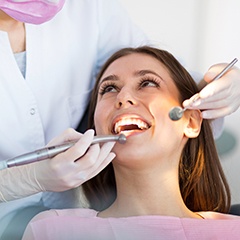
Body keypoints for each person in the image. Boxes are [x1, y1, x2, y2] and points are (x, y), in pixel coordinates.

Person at [0, 0, 240, 238]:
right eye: (108, 89)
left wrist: (214, 88)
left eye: (147, 83)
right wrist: (19, 180)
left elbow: (147, 64)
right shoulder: (51, 230)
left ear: (191, 121)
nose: (123, 97)